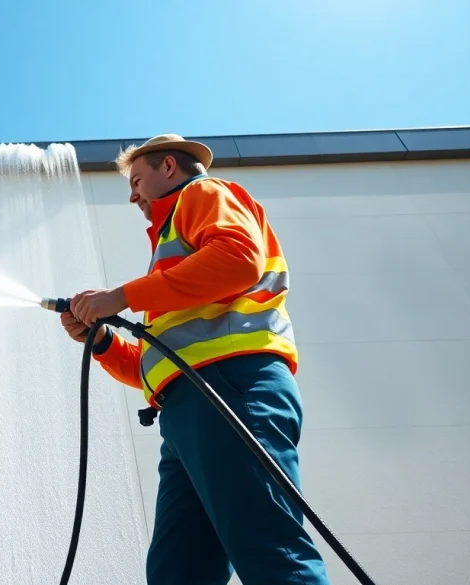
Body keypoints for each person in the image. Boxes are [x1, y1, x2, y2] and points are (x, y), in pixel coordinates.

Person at [61, 134, 330, 584]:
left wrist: (120, 297)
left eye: (136, 180)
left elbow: (238, 260)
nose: (132, 196)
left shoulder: (202, 193)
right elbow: (162, 364)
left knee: (270, 552)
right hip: (192, 404)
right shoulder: (173, 257)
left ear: (169, 167)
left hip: (231, 388)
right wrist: (104, 340)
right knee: (178, 572)